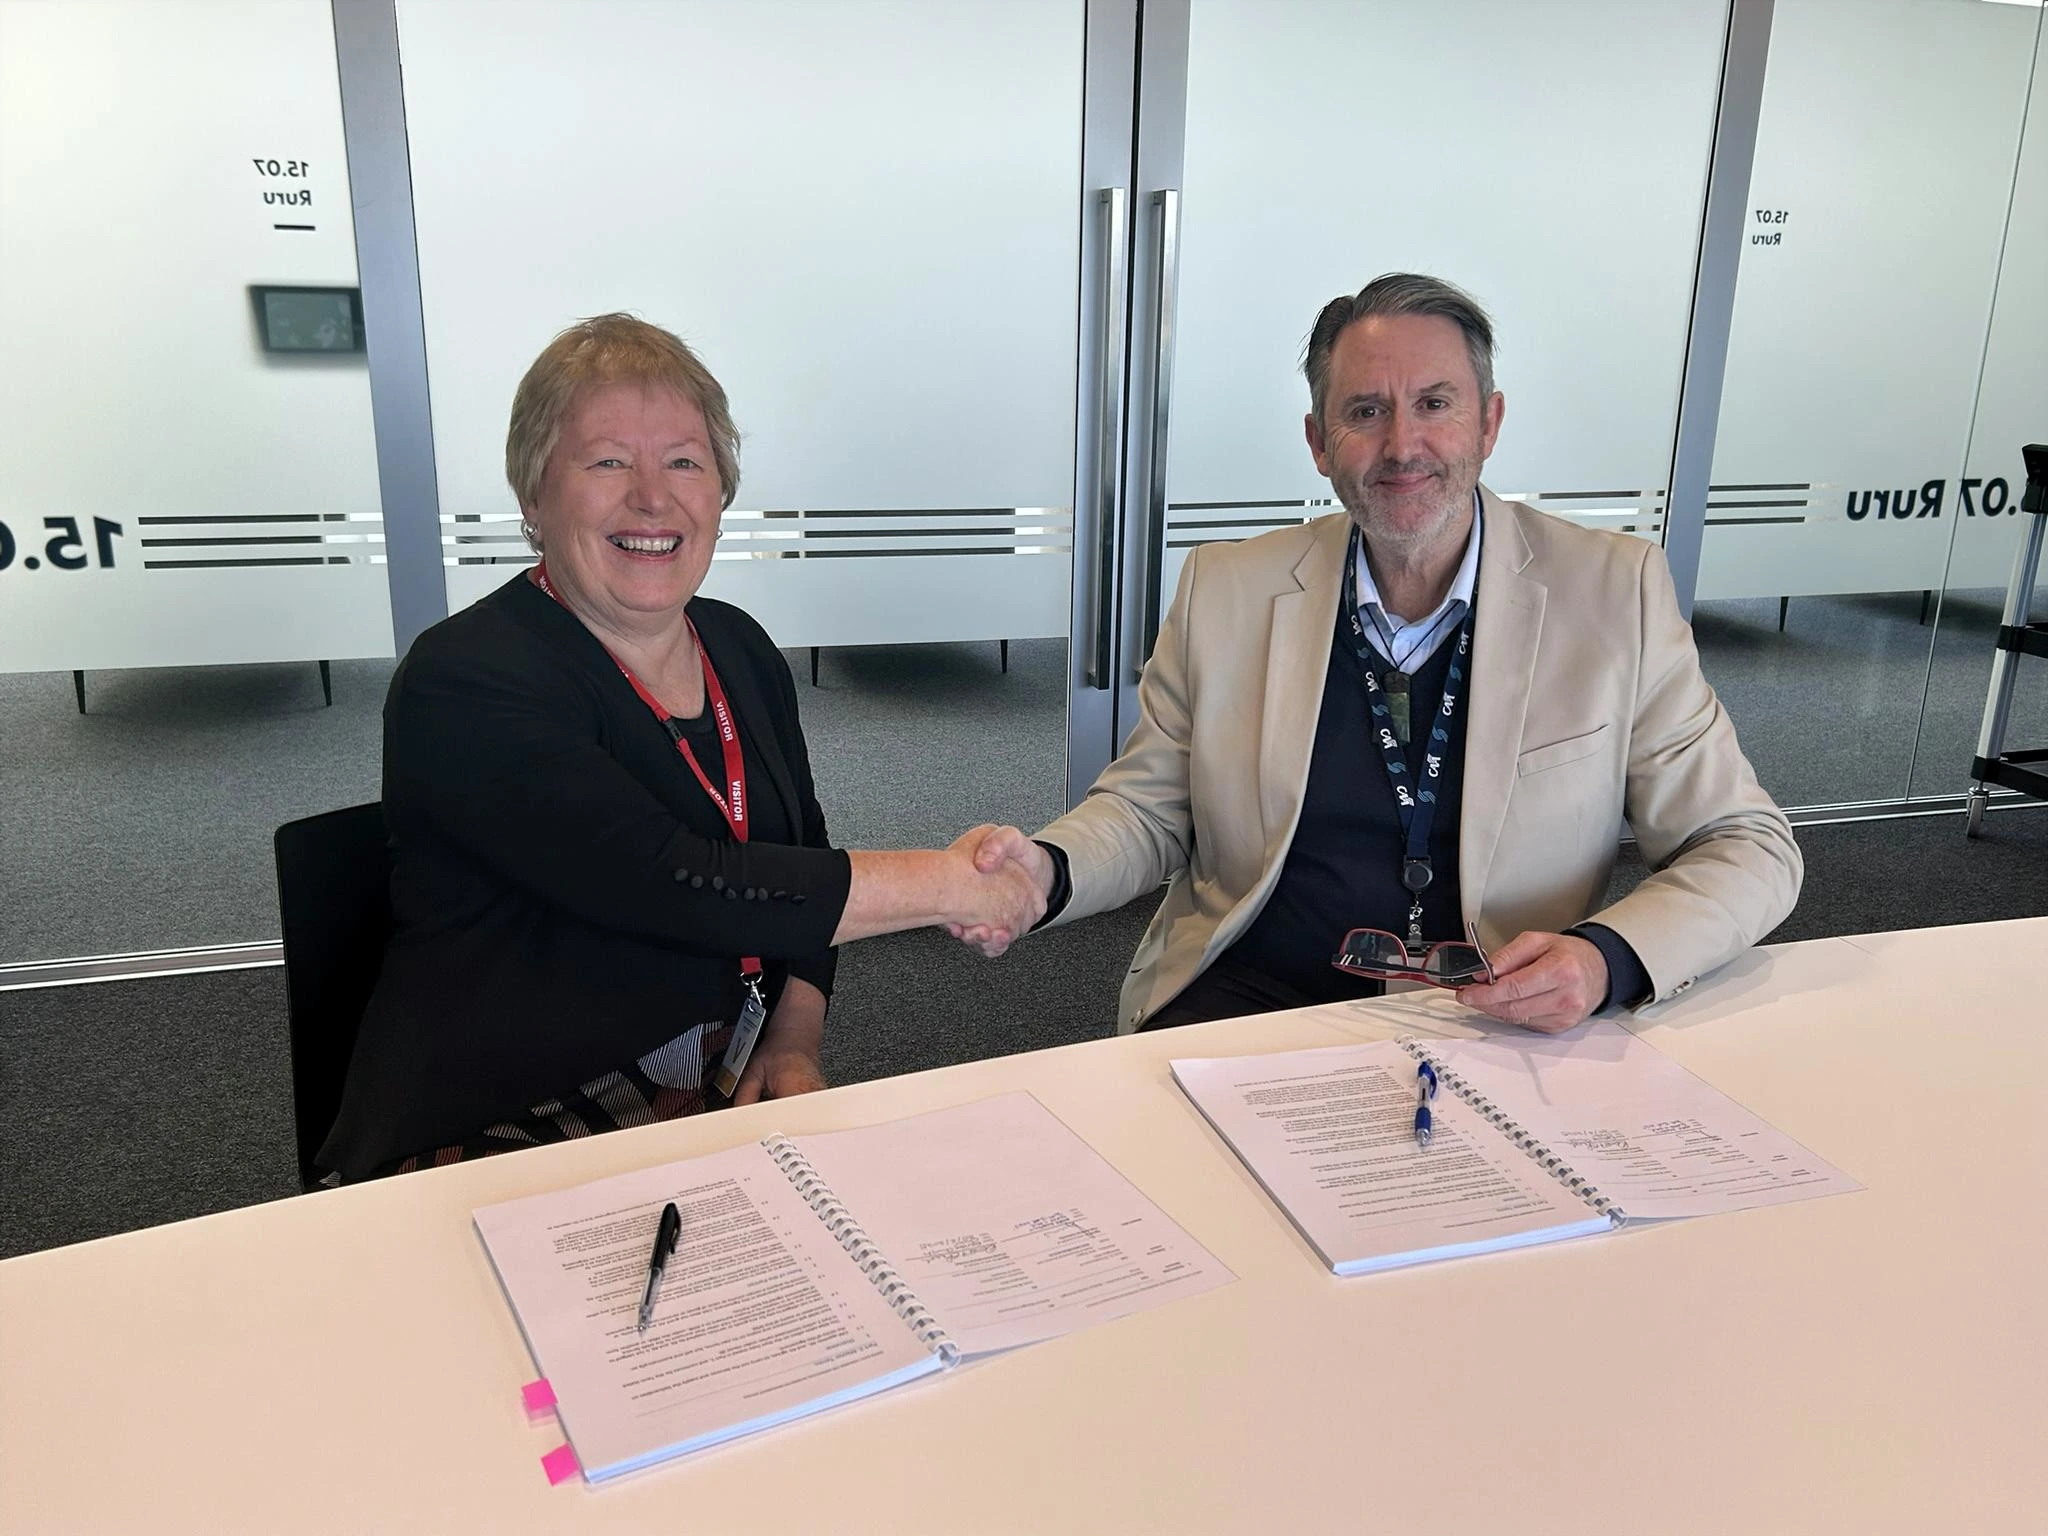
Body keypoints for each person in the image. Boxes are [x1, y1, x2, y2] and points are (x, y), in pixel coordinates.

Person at [966, 273, 1800, 1034]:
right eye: (1365, 412)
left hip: (1498, 1017)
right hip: (1251, 998)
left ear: (1489, 423)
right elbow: (1150, 812)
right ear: (1319, 442)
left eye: (1435, 404)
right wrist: (1047, 871)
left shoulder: (1616, 595)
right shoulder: (1227, 590)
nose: (1403, 445)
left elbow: (1745, 843)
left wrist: (1604, 959)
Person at [319, 314, 1042, 1182]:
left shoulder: (738, 647)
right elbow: (681, 883)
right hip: (501, 1134)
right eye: (607, 462)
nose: (653, 499)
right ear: (534, 496)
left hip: (704, 1104)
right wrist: (953, 884)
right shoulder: (466, 679)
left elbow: (802, 857)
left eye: (685, 463)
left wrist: (792, 1038)